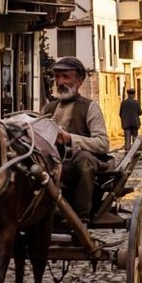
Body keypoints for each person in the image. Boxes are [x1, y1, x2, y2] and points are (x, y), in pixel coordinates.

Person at [42, 57, 110, 222]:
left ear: (79, 81)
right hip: (55, 164)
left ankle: (80, 216)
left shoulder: (90, 107)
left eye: (66, 77)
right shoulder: (48, 108)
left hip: (81, 166)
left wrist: (69, 139)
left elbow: (103, 144)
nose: (60, 82)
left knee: (83, 159)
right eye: (57, 77)